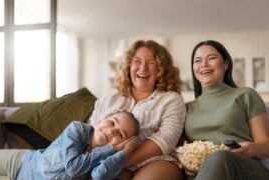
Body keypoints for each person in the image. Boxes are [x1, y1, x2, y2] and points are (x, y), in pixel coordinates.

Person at [88, 39, 186, 180]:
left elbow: (165, 140)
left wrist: (117, 163)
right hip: (107, 163)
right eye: (137, 61)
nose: (143, 68)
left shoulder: (171, 99)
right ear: (128, 66)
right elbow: (90, 135)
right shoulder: (108, 100)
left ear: (161, 69)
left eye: (151, 63)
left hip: (155, 161)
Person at [0, 110, 140, 180]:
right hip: (20, 162)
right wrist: (114, 147)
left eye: (120, 134)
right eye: (112, 122)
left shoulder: (111, 159)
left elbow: (99, 175)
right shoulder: (78, 129)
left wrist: (124, 153)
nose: (111, 131)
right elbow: (73, 167)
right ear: (105, 117)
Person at [185, 40, 269, 179]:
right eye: (198, 60)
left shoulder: (246, 95)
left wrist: (251, 149)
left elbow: (265, 144)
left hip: (244, 167)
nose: (204, 64)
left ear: (226, 64)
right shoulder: (187, 108)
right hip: (203, 171)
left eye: (211, 58)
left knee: (219, 157)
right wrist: (186, 160)